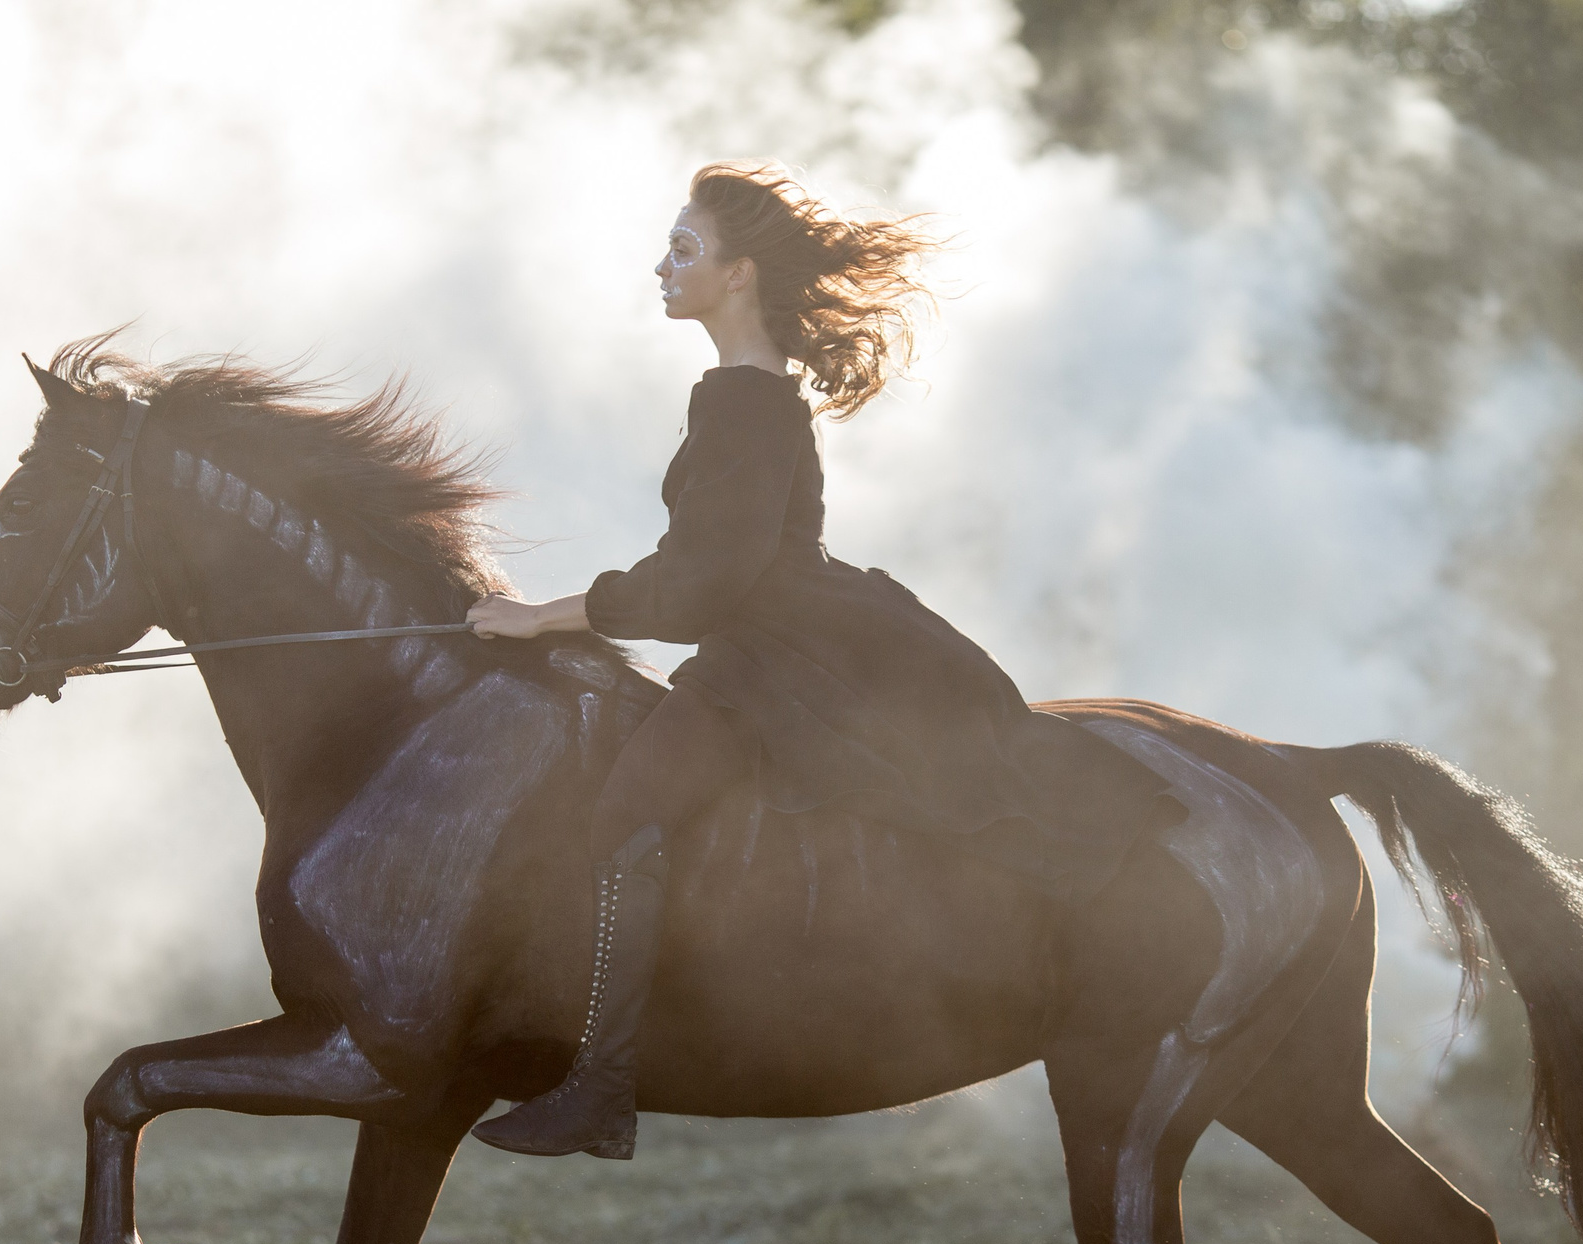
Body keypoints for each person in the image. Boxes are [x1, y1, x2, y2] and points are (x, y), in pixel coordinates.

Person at [465, 161, 1167, 1162]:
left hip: (772, 657)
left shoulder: (745, 404)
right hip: (777, 636)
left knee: (624, 814)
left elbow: (704, 582)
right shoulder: (740, 394)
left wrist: (545, 619)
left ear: (739, 274)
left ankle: (601, 1088)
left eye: (682, 250)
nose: (660, 266)